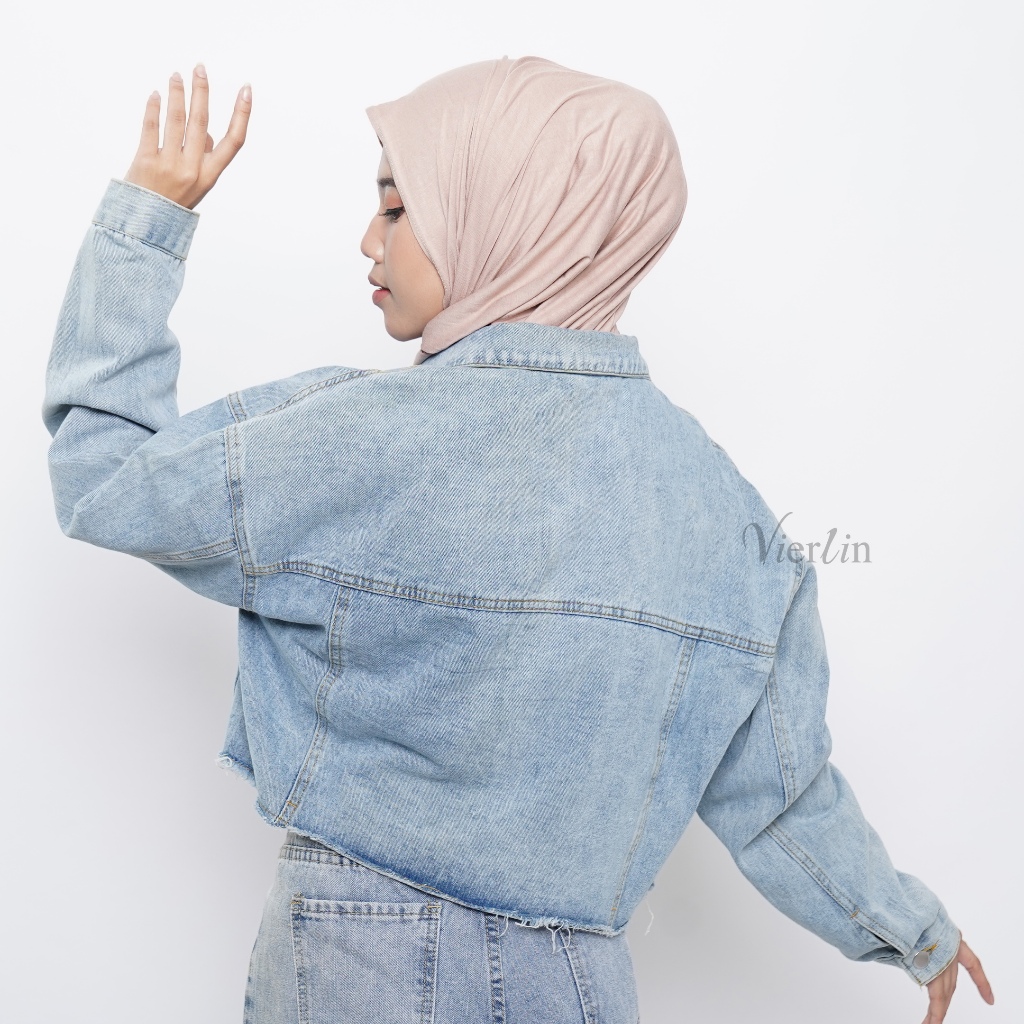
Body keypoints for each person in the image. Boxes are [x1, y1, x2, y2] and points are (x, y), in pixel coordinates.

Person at [41, 58, 994, 1024]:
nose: (369, 239)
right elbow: (777, 794)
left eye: (398, 207)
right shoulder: (725, 514)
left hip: (358, 951)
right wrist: (909, 927)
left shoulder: (359, 440)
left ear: (502, 213)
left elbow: (106, 480)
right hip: (579, 980)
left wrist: (147, 223)